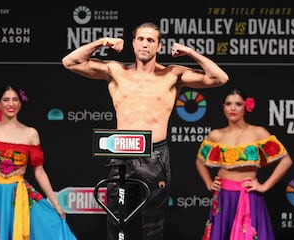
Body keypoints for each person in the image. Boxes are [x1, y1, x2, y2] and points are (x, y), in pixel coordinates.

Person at [62, 22, 229, 240]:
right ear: (133, 43)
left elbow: (220, 78)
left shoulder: (173, 74)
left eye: (151, 40)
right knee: (117, 220)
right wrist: (104, 42)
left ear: (159, 46)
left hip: (155, 155)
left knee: (153, 226)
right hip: (121, 153)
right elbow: (69, 62)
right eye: (140, 39)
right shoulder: (116, 71)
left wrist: (189, 52)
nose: (145, 44)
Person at [0, 84, 77, 240]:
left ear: (20, 104)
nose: (11, 104)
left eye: (15, 100)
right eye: (6, 100)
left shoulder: (30, 133)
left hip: (19, 194)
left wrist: (56, 204)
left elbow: (39, 171)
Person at [195, 88, 293, 240]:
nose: (233, 108)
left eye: (238, 104)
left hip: (247, 193)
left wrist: (264, 186)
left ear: (246, 107)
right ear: (223, 107)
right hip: (222, 197)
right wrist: (209, 183)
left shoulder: (257, 133)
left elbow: (286, 160)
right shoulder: (216, 135)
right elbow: (200, 161)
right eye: (228, 104)